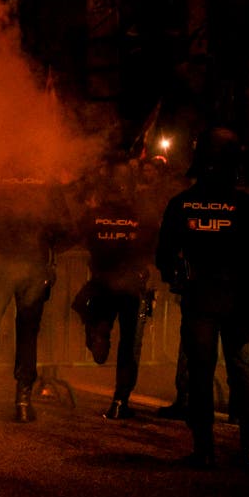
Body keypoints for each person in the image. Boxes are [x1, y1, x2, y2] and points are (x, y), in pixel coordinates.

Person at [156, 128, 249, 469]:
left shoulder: (181, 204)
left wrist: (176, 278)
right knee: (241, 369)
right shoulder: (245, 204)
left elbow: (164, 254)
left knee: (201, 372)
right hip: (238, 298)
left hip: (199, 299)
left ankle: (204, 448)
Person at [0, 164, 72, 423]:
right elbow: (66, 228)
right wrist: (48, 249)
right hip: (33, 264)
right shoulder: (48, 179)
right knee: (28, 334)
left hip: (0, 263)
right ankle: (22, 402)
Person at [72, 158, 158, 419]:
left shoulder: (95, 214)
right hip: (131, 285)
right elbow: (153, 248)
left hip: (101, 281)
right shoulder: (141, 214)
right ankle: (120, 402)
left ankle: (98, 328)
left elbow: (79, 238)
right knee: (129, 345)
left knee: (95, 313)